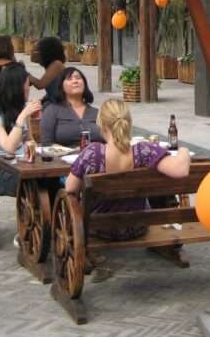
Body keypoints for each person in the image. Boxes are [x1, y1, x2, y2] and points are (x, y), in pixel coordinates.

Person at [64, 98, 191, 240]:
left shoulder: (92, 153)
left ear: (102, 125)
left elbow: (69, 188)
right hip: (137, 227)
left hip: (98, 229)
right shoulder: (144, 150)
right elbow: (181, 169)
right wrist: (184, 150)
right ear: (128, 123)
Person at [0, 63, 42, 197]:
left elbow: (29, 140)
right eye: (27, 85)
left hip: (23, 165)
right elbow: (9, 147)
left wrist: (37, 151)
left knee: (52, 181)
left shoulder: (21, 110)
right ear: (17, 88)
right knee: (38, 185)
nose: (29, 89)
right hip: (0, 169)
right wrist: (22, 117)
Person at [40, 67, 103, 147]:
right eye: (69, 79)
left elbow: (110, 140)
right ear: (61, 86)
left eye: (78, 78)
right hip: (62, 157)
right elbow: (46, 144)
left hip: (96, 157)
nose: (75, 81)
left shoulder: (97, 112)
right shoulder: (52, 111)